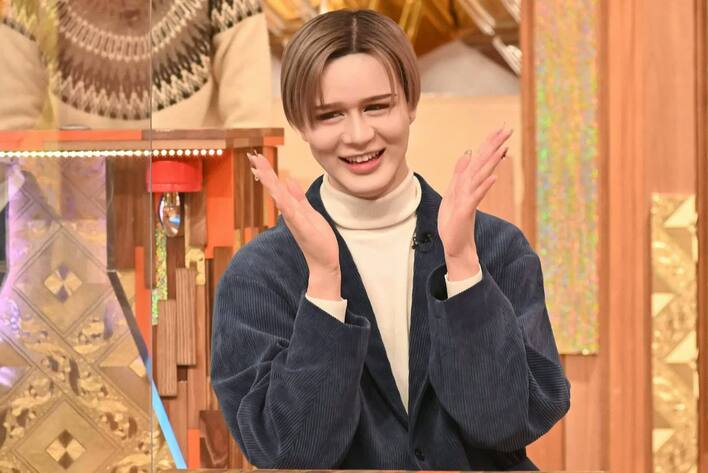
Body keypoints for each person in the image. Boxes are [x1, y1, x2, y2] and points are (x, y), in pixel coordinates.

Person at [211, 8, 570, 471]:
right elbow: (291, 450)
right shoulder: (259, 274)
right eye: (330, 115)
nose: (359, 135)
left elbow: (509, 423)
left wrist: (463, 266)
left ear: (410, 103)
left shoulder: (496, 246)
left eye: (377, 106)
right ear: (301, 124)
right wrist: (324, 284)